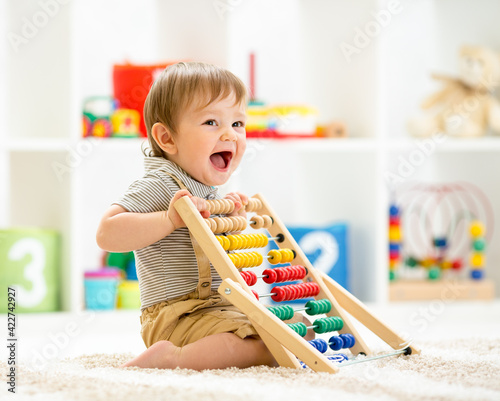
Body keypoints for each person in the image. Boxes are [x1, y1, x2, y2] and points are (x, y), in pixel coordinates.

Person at [96, 62, 279, 370]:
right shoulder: (162, 184)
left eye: (237, 124)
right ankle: (171, 358)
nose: (230, 135)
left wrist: (231, 221)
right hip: (176, 315)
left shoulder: (204, 188)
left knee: (287, 334)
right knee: (265, 346)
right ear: (167, 138)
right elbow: (106, 234)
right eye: (211, 122)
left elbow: (212, 257)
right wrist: (170, 219)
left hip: (216, 307)